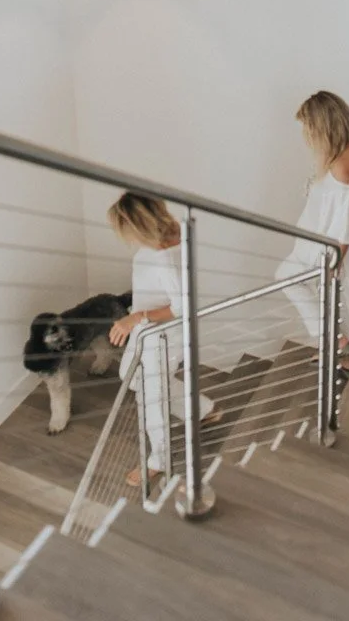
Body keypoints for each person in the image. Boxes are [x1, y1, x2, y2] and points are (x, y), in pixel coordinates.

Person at [107, 192, 224, 487]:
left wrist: (136, 317)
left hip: (162, 336)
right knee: (131, 377)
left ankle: (158, 461)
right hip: (146, 329)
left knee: (151, 398)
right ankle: (202, 410)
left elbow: (183, 306)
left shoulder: (164, 257)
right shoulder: (174, 232)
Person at [278, 91, 349, 376]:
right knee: (332, 297)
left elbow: (346, 224)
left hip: (326, 246)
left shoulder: (344, 167)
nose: (307, 137)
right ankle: (342, 356)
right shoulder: (348, 149)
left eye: (309, 130)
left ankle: (335, 340)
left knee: (287, 277)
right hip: (318, 240)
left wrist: (335, 261)